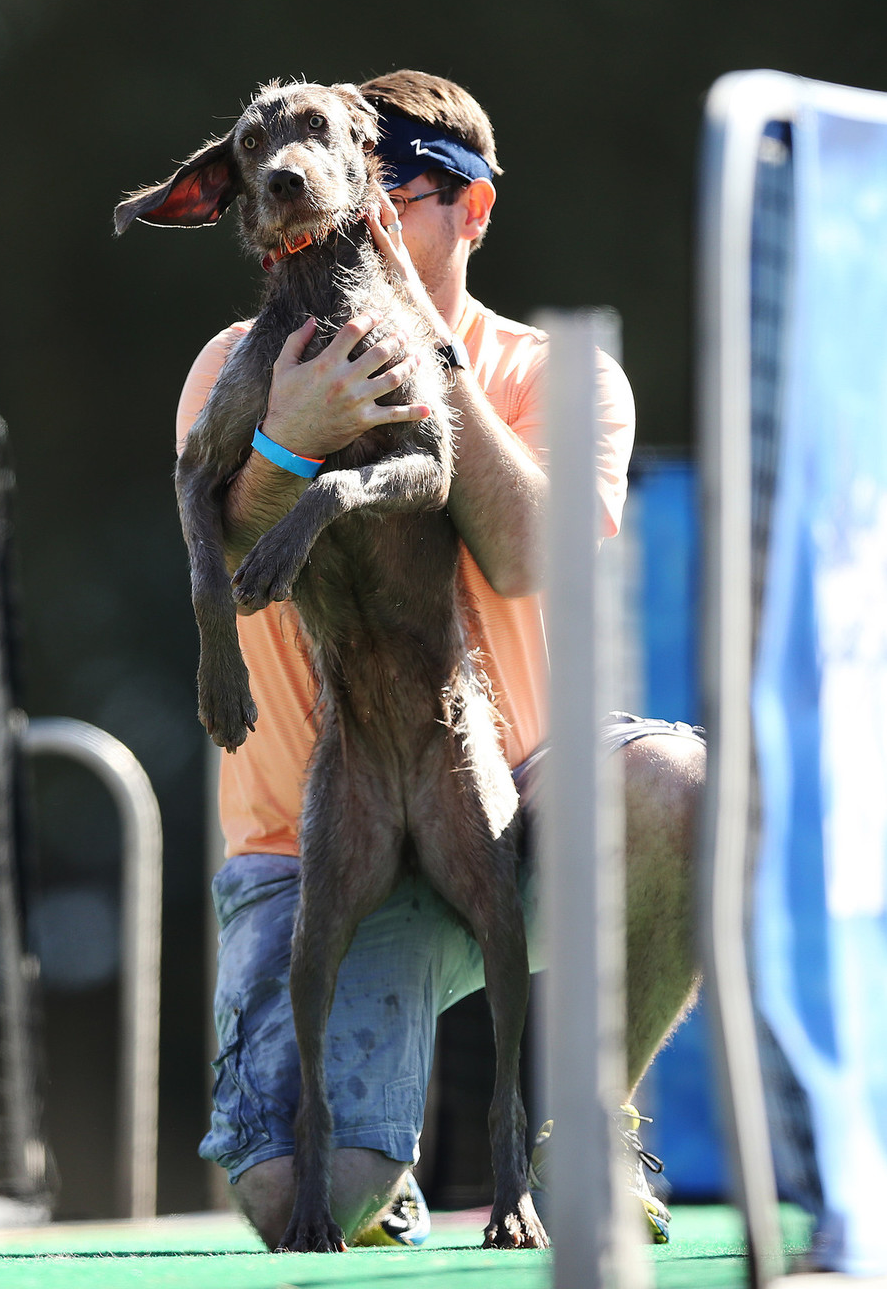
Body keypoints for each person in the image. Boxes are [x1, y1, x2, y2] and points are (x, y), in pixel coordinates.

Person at [175, 69, 706, 1250]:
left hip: (503, 808)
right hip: (312, 837)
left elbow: (525, 558)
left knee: (681, 781)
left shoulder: (555, 374)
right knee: (301, 1201)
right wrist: (286, 438)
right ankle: (379, 1157)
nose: (344, 196)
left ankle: (586, 1122)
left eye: (398, 187)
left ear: (472, 212)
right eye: (340, 167)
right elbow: (224, 535)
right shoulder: (236, 359)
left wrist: (421, 358)